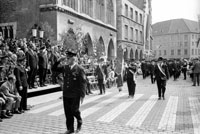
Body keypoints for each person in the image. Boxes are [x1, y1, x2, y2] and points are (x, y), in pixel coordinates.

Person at [52, 50, 87, 134]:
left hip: (75, 94)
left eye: (68, 58)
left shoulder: (79, 69)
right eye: (67, 58)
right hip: (66, 93)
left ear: (74, 59)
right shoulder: (65, 67)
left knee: (74, 110)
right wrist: (58, 60)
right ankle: (70, 129)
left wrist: (82, 95)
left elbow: (83, 82)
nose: (67, 60)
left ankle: (79, 120)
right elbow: (54, 69)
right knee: (67, 112)